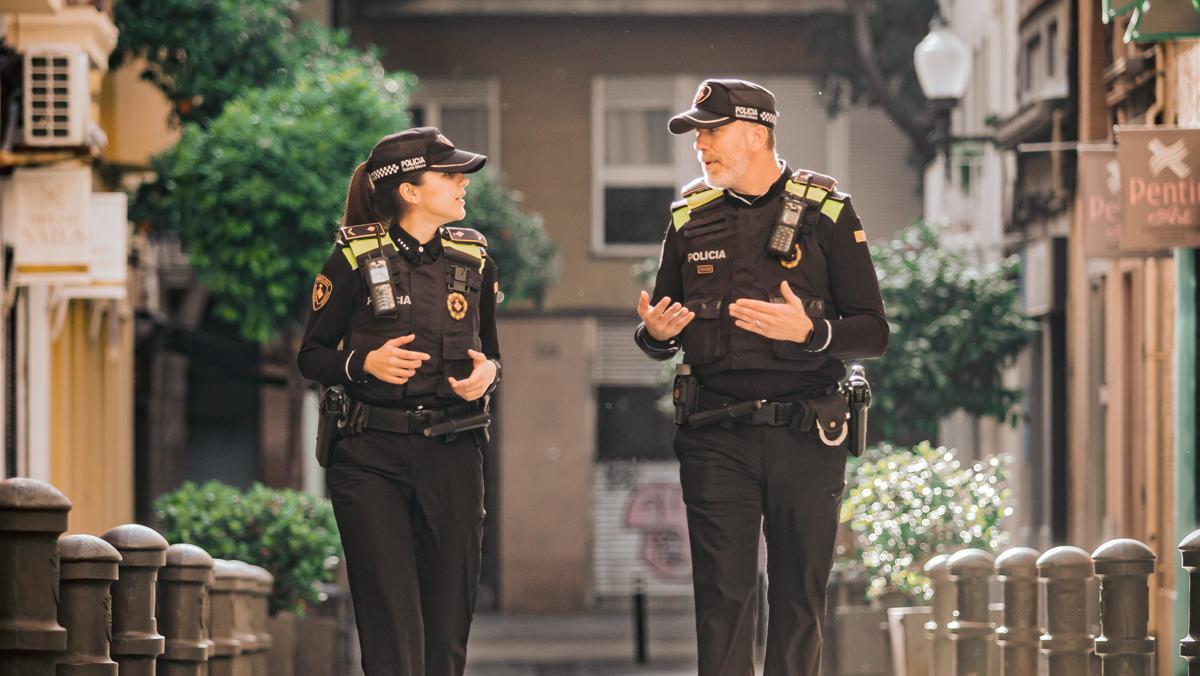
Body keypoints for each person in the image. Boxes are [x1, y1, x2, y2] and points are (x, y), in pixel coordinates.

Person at [633, 78, 889, 675]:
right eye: (697, 134)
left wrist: (810, 333)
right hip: (715, 435)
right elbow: (658, 332)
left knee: (799, 599)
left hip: (806, 432)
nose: (701, 145)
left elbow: (873, 332)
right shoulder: (690, 218)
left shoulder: (827, 211)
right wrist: (656, 334)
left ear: (757, 132)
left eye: (712, 131)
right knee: (722, 598)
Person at [298, 127, 500, 676]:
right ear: (409, 189)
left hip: (454, 452)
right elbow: (311, 355)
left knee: (447, 627)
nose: (463, 183)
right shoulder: (355, 255)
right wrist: (363, 363)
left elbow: (492, 356)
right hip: (369, 456)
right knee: (392, 628)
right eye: (449, 174)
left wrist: (486, 377)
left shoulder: (473, 257)